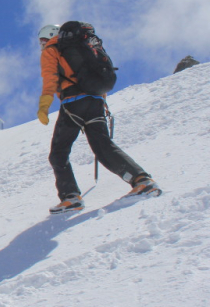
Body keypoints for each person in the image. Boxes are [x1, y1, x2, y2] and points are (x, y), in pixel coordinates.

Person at [37, 22, 159, 214]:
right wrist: (99, 101)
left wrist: (44, 106)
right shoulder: (86, 45)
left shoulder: (52, 49)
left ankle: (71, 197)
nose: (42, 44)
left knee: (58, 153)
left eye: (42, 40)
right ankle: (141, 180)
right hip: (95, 101)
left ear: (51, 35)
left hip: (73, 103)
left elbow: (50, 78)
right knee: (103, 146)